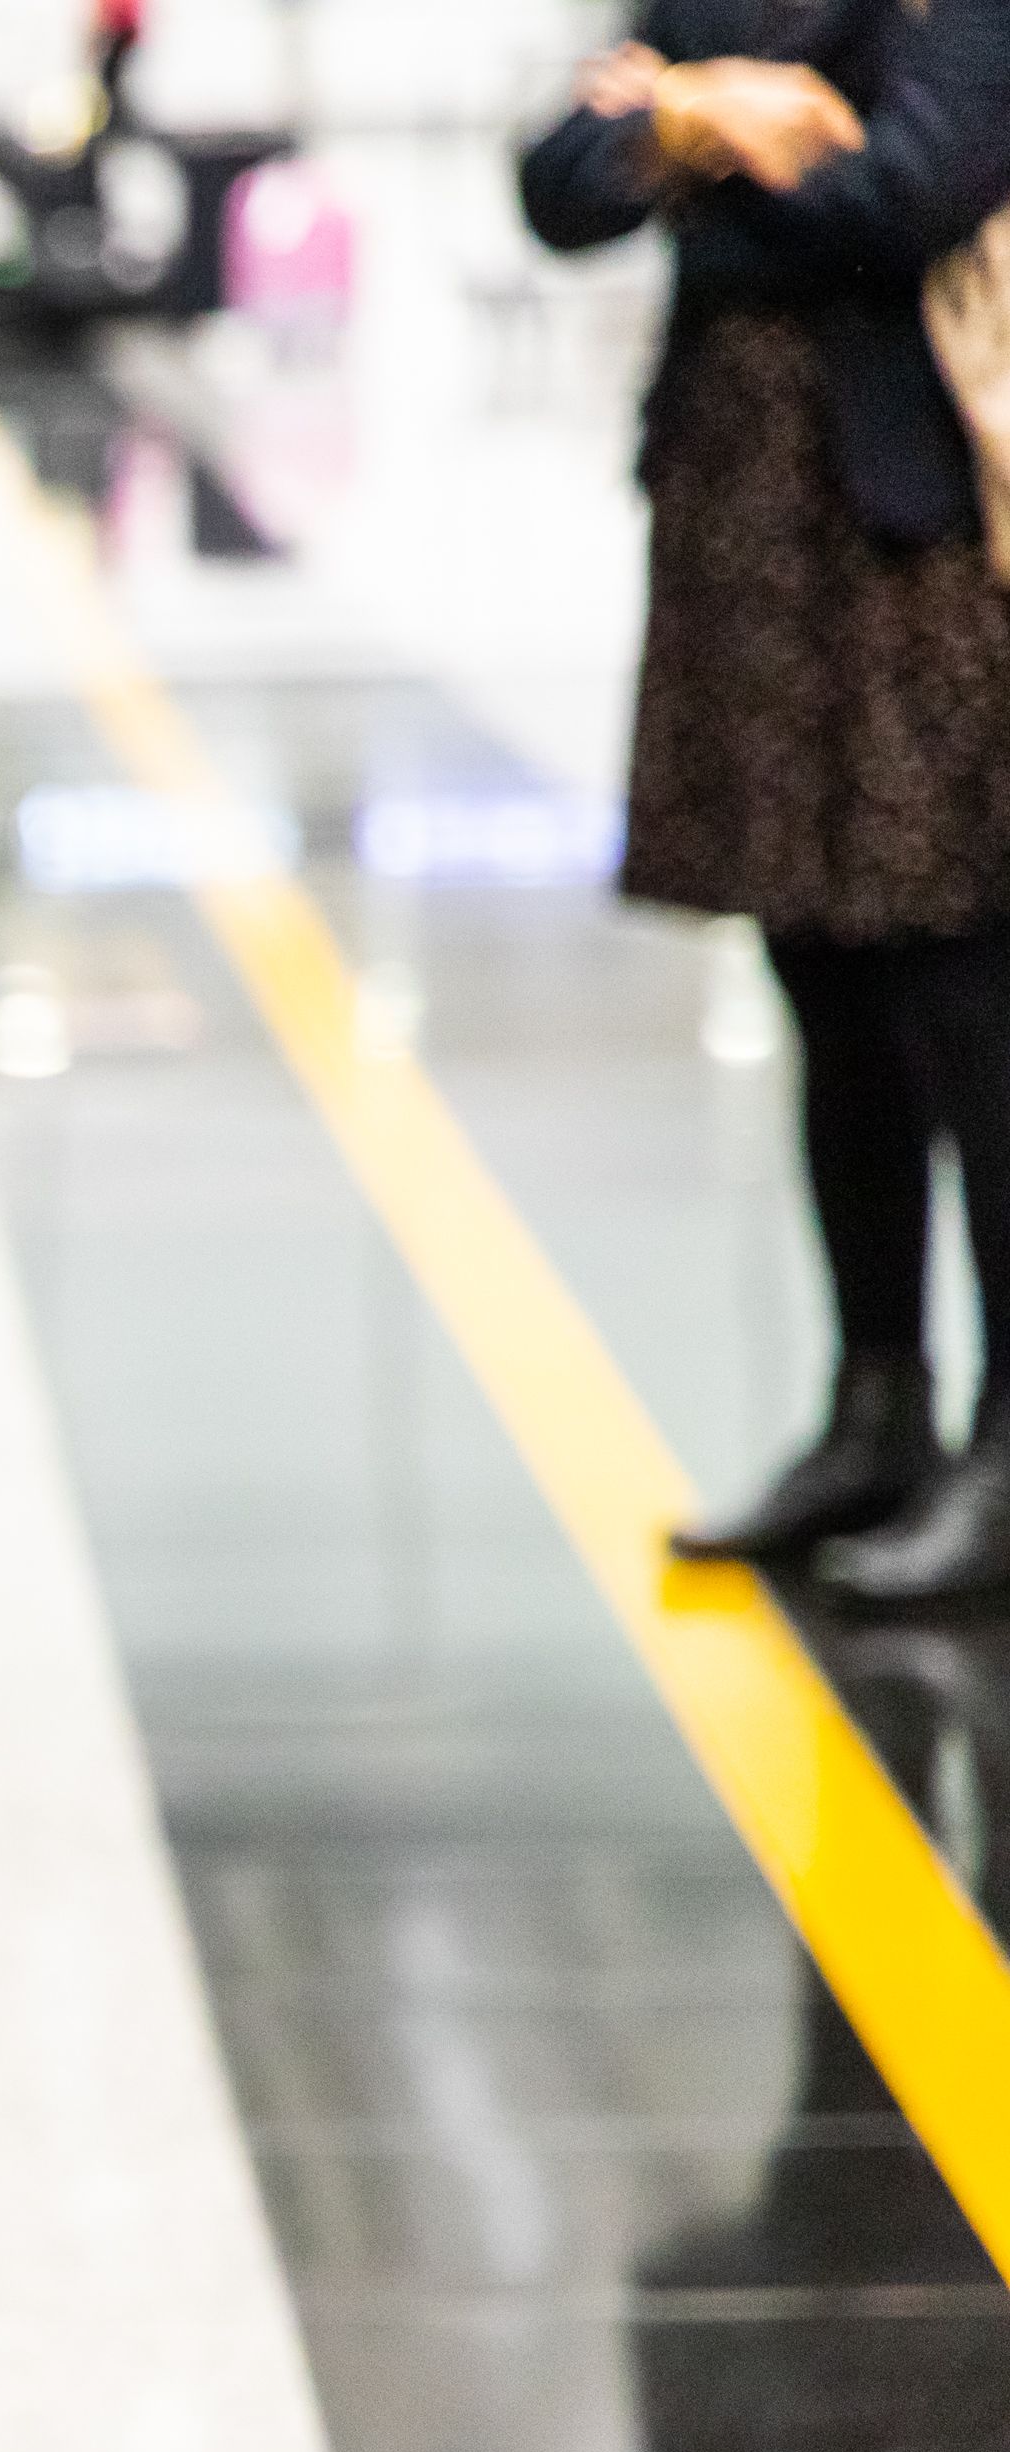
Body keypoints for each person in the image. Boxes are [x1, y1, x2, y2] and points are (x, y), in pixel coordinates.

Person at [525, 0, 1010, 1605]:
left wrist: (684, 132)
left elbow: (908, 200)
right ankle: (876, 1407)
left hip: (918, 542)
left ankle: (1007, 1452)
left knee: (966, 993)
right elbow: (559, 186)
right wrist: (733, 113)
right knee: (822, 976)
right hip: (744, 528)